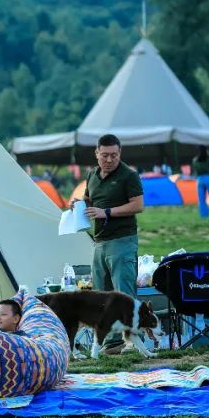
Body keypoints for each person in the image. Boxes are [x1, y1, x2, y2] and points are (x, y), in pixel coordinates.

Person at [71, 134, 144, 353]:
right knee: (101, 295)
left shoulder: (129, 176)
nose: (109, 160)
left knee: (124, 292)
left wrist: (107, 212)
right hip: (99, 242)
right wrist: (79, 205)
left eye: (114, 155)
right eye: (105, 155)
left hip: (122, 241)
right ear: (97, 154)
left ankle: (132, 341)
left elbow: (138, 205)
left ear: (120, 153)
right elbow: (90, 201)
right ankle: (111, 343)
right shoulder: (92, 175)